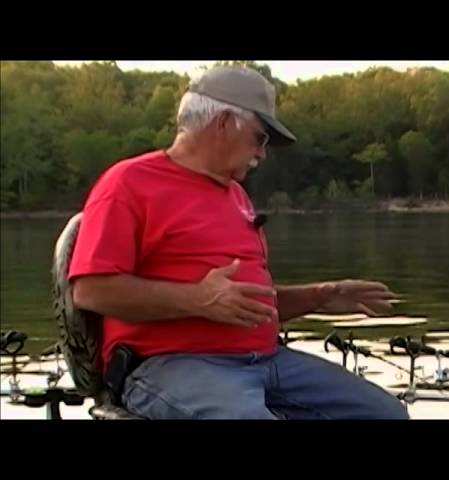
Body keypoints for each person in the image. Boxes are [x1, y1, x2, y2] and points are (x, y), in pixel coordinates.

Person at [68, 65, 409, 420]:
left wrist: (318, 296)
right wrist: (196, 299)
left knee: (386, 414)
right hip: (169, 365)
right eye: (260, 138)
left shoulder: (237, 196)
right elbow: (91, 291)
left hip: (266, 361)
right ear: (223, 123)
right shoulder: (128, 183)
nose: (262, 153)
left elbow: (241, 303)